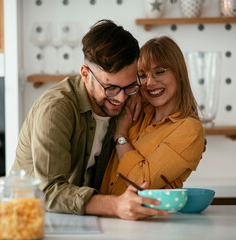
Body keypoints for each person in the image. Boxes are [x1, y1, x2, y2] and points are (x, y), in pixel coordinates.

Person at [10, 19, 168, 220]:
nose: (120, 98)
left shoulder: (126, 98)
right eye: (110, 87)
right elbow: (47, 191)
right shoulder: (56, 108)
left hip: (76, 219)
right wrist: (115, 205)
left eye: (129, 86)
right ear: (85, 74)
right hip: (29, 219)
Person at [100, 36, 205, 195]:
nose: (150, 82)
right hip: (105, 213)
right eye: (143, 75)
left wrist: (121, 135)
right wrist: (135, 91)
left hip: (147, 218)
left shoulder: (189, 130)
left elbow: (143, 181)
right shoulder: (135, 109)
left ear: (179, 73)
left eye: (160, 72)